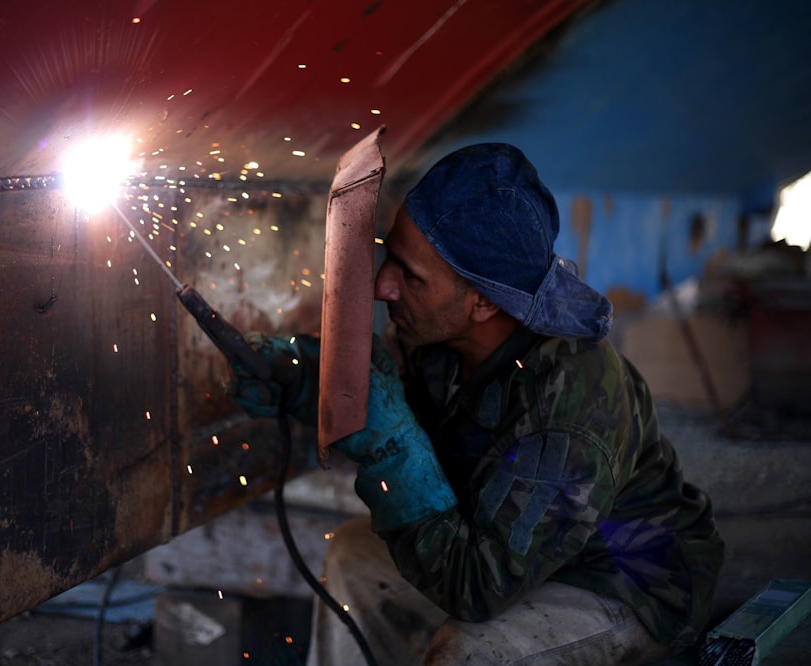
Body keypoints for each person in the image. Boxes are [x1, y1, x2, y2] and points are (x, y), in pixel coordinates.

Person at [230, 143, 724, 665]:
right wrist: (310, 383)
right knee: (355, 556)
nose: (383, 286)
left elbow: (478, 586)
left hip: (623, 581)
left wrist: (392, 451)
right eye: (389, 258)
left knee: (472, 652)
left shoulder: (570, 412)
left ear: (485, 301)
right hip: (520, 551)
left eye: (410, 276)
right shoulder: (441, 341)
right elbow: (391, 395)